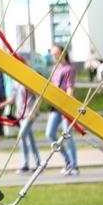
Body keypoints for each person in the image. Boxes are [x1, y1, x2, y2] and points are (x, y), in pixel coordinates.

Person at [46, 45, 79, 175]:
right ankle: (68, 161)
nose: (55, 57)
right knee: (50, 133)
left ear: (63, 54)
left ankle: (74, 166)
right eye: (53, 55)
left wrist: (68, 106)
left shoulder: (69, 69)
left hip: (66, 106)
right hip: (55, 107)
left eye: (57, 54)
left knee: (68, 137)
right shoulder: (55, 69)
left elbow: (70, 88)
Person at [0, 76, 40, 172]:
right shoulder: (15, 82)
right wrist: (2, 104)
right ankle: (38, 164)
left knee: (21, 136)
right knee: (29, 139)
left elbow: (38, 95)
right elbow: (13, 98)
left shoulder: (27, 79)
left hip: (29, 114)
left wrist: (34, 110)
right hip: (20, 115)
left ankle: (25, 164)